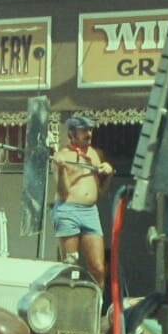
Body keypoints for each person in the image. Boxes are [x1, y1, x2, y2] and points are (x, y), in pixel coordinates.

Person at [51, 115, 113, 287]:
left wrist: (109, 174)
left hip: (90, 212)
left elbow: (102, 190)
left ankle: (97, 302)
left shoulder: (94, 154)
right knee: (71, 267)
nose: (89, 133)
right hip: (68, 210)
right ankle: (69, 300)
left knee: (98, 268)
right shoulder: (62, 155)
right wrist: (62, 169)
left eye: (90, 129)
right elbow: (63, 193)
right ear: (72, 133)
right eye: (84, 130)